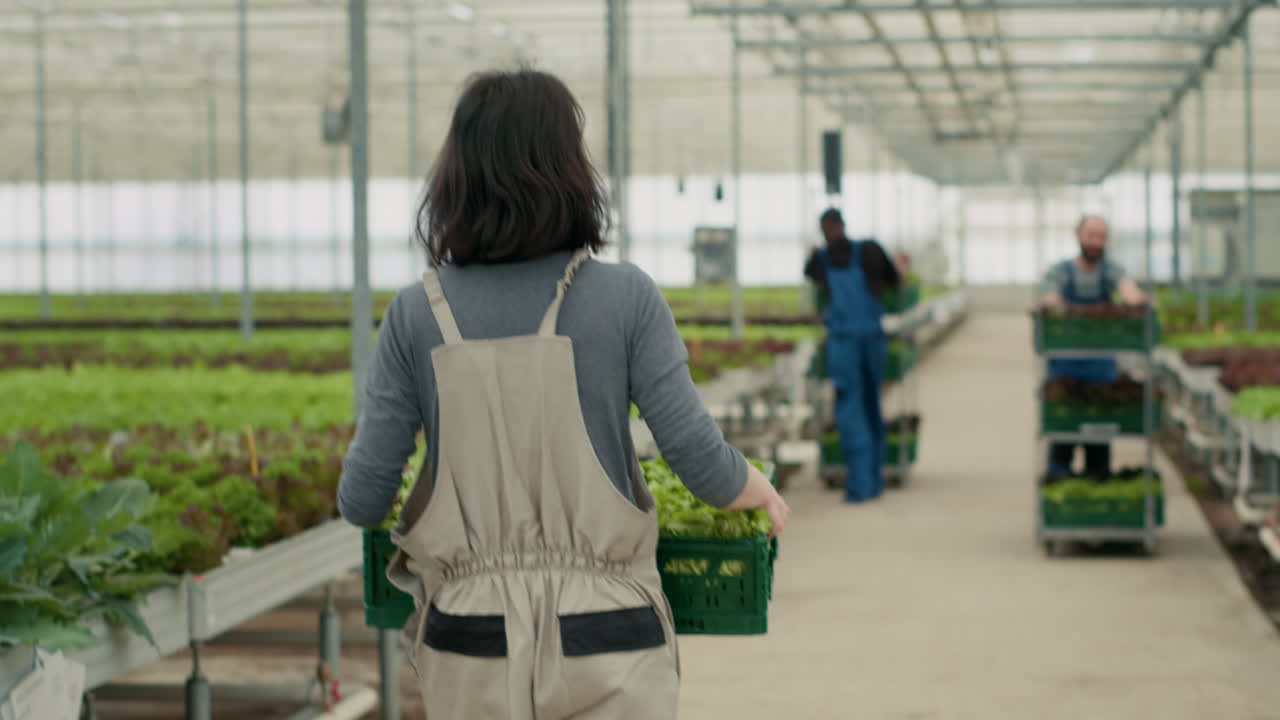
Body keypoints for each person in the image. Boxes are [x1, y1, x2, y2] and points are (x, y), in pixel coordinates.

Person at [336, 68, 788, 720]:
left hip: (470, 642)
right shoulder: (626, 297)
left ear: (454, 180)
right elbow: (702, 464)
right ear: (569, 171)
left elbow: (362, 500)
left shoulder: (416, 314)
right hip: (611, 639)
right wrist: (761, 490)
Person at [803, 208, 901, 503]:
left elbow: (811, 276)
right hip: (870, 339)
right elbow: (894, 281)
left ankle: (861, 485)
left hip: (847, 343)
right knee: (869, 407)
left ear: (826, 228)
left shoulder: (823, 259)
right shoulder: (869, 251)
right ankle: (872, 480)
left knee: (852, 409)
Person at [1040, 214, 1148, 478]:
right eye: (1091, 235)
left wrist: (1135, 299)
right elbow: (1051, 296)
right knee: (1064, 430)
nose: (1096, 242)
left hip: (1101, 369)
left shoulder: (1111, 270)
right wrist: (1052, 304)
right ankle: (1060, 484)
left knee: (1099, 434)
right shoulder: (1060, 271)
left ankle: (1096, 478)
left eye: (1101, 236)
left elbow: (1128, 289)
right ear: (1078, 235)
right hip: (1064, 368)